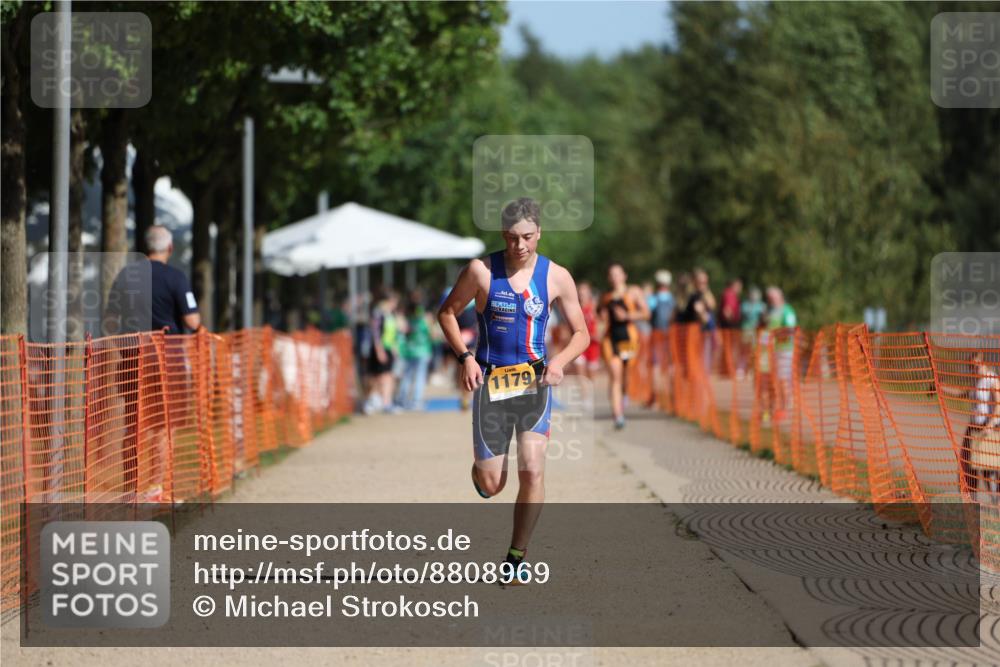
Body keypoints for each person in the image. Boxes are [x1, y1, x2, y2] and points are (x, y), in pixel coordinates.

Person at [437, 197, 589, 585]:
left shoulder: (557, 276)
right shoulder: (482, 270)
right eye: (510, 238)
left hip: (535, 383)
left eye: (526, 237)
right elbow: (447, 312)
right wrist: (465, 358)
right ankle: (481, 471)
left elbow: (582, 333)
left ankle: (516, 559)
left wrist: (558, 363)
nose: (518, 246)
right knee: (492, 484)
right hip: (491, 383)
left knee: (533, 470)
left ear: (539, 233)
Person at [105, 224, 201, 504]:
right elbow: (192, 321)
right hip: (165, 358)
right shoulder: (175, 277)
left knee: (133, 423)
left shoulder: (125, 275)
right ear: (169, 248)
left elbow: (110, 321)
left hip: (132, 356)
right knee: (162, 425)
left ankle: (130, 490)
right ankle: (156, 487)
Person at [599, 263, 650, 430]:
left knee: (626, 375)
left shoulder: (633, 292)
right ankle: (618, 415)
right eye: (611, 274)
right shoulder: (605, 296)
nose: (614, 277)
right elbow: (599, 313)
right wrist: (602, 317)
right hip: (610, 339)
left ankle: (625, 394)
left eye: (617, 274)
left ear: (624, 276)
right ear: (608, 278)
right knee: (615, 375)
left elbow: (646, 313)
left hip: (628, 338)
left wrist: (627, 315)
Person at [954, 352, 1000, 498]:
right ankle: (971, 500)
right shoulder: (975, 381)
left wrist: (990, 425)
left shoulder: (991, 379)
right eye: (972, 367)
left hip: (988, 429)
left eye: (976, 365)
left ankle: (996, 502)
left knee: (989, 470)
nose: (974, 368)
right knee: (968, 465)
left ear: (983, 363)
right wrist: (940, 387)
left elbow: (998, 405)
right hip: (973, 428)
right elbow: (962, 393)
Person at [363, 289, 401, 415]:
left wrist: (394, 347)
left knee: (387, 375)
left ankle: (386, 401)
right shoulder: (378, 314)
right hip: (380, 349)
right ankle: (373, 400)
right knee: (376, 376)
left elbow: (393, 333)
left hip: (389, 348)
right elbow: (376, 333)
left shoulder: (391, 314)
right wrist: (379, 350)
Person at [396, 290, 434, 411]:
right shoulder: (425, 317)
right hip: (421, 351)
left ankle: (402, 400)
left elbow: (402, 330)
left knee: (407, 376)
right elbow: (431, 334)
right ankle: (416, 401)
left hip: (409, 350)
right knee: (419, 377)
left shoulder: (407, 316)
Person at [765, 286, 797, 421]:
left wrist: (776, 335)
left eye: (773, 298)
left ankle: (786, 407)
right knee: (775, 380)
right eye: (769, 298)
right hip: (773, 350)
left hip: (785, 350)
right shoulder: (771, 312)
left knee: (784, 380)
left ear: (780, 297)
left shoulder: (787, 311)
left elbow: (790, 330)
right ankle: (778, 407)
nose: (771, 300)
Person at [572, 281, 600, 379]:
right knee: (581, 377)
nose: (582, 296)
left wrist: (600, 333)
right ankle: (583, 394)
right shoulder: (575, 308)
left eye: (584, 293)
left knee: (591, 378)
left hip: (593, 345)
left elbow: (603, 321)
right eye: (580, 293)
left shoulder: (594, 307)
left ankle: (589, 394)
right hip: (580, 345)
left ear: (589, 293)